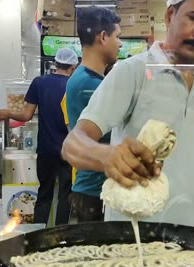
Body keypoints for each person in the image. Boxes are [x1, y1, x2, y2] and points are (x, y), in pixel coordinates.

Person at [62, 0, 194, 234]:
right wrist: (107, 156)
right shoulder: (132, 72)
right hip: (134, 240)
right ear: (170, 15)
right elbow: (73, 144)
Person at [0, 48, 78, 225]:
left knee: (45, 193)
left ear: (55, 64)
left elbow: (26, 116)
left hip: (46, 149)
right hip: (69, 150)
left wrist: (7, 113)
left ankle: (38, 233)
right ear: (73, 67)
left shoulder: (39, 83)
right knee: (65, 195)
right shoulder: (74, 85)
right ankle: (60, 237)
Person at [65, 6, 122, 223]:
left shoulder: (83, 78)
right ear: (103, 37)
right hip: (93, 193)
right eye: (117, 36)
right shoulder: (90, 84)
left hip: (91, 189)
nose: (120, 43)